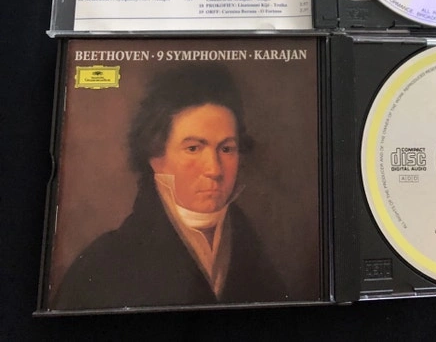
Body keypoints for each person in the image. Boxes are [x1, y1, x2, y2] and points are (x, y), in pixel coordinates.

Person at [53, 65, 286, 310]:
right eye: (193, 148)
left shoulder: (257, 256)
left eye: (226, 149)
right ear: (156, 156)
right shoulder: (100, 267)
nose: (215, 170)